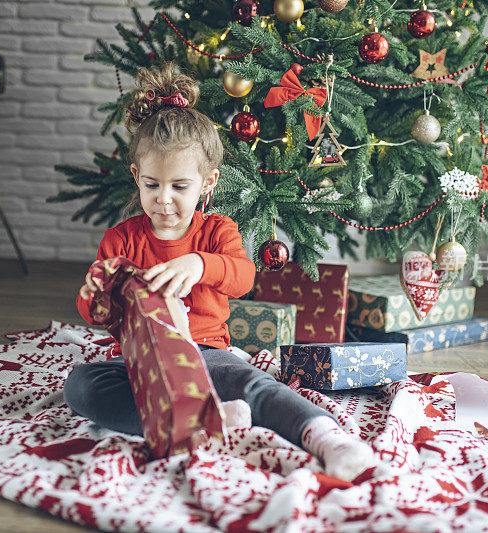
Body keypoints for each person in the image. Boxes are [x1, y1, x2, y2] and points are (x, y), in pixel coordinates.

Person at [63, 63, 373, 481]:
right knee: (82, 385)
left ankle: (327, 438)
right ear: (136, 177)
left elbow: (244, 277)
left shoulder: (216, 230)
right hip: (143, 364)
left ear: (207, 183)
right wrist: (97, 297)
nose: (164, 199)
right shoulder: (121, 240)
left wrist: (200, 264)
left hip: (206, 351)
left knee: (254, 386)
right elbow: (96, 315)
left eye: (180, 187)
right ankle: (200, 422)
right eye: (152, 185)